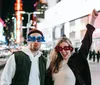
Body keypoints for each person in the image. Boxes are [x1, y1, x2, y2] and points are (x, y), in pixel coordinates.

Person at [46, 9, 98, 85]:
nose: (63, 51)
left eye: (66, 48)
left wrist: (93, 19)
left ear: (71, 49)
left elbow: (86, 42)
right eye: (60, 48)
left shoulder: (77, 60)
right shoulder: (54, 64)